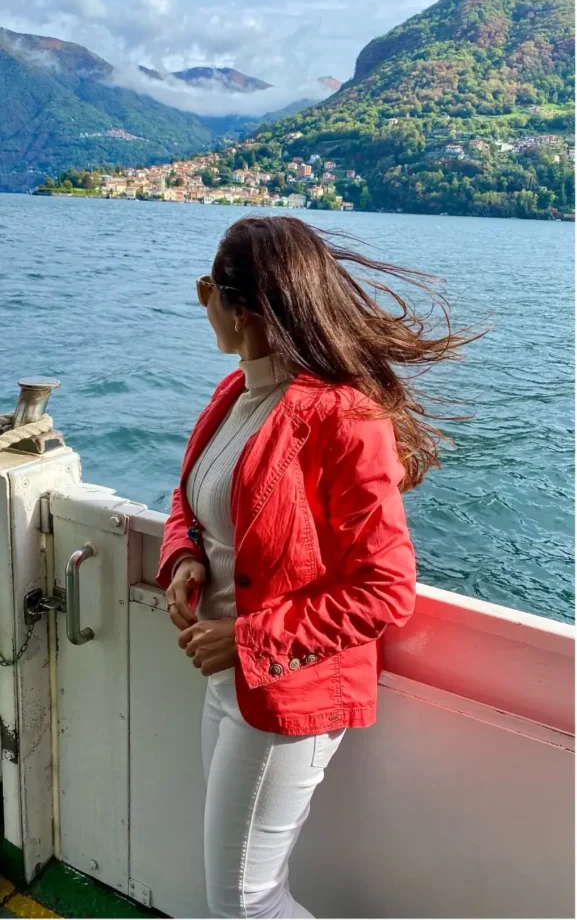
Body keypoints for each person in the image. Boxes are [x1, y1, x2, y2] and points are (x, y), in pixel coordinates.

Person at [156, 215, 476, 919]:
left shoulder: (343, 419)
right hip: (227, 681)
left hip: (286, 691)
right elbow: (190, 499)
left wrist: (247, 640)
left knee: (245, 903)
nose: (201, 301)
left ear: (241, 309)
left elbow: (385, 588)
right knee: (241, 897)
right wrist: (182, 556)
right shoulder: (233, 395)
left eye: (206, 289)